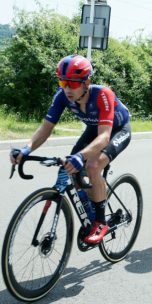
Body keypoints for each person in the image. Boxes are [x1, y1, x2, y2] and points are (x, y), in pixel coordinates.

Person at [10, 54, 132, 244]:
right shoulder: (62, 97)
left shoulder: (103, 94)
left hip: (117, 130)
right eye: (62, 82)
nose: (67, 88)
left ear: (86, 82)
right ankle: (93, 203)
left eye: (73, 83)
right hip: (94, 129)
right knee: (71, 168)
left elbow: (104, 137)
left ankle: (100, 222)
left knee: (93, 165)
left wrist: (81, 156)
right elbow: (46, 128)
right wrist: (27, 149)